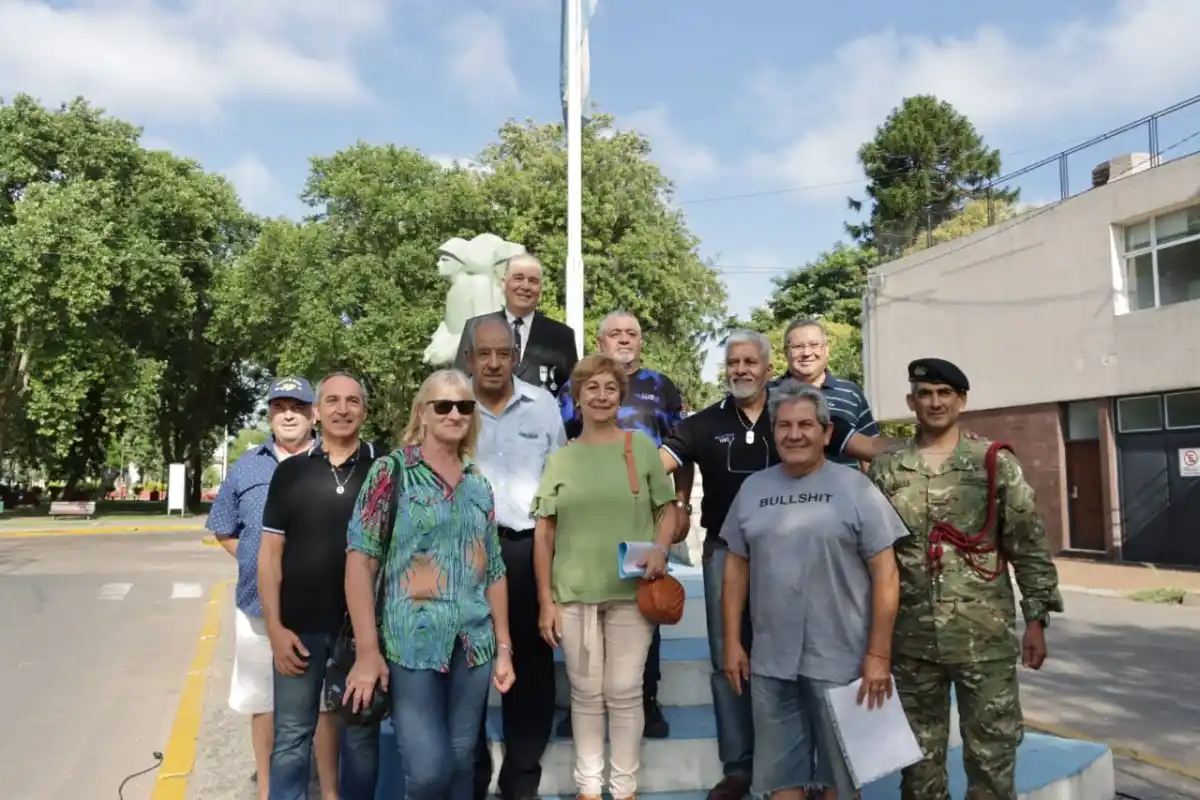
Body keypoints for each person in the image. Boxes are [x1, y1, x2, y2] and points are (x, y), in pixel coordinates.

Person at [867, 358, 1064, 799]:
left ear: (961, 400)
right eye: (925, 394)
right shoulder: (888, 469)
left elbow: (1027, 544)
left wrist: (1037, 619)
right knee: (918, 766)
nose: (935, 402)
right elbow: (874, 559)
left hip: (984, 639)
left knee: (992, 758)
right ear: (910, 401)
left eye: (944, 394)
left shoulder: (992, 462)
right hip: (911, 641)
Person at [720, 380, 908, 800]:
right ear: (773, 432)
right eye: (784, 425)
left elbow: (887, 575)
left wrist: (879, 655)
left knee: (840, 781)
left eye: (806, 424)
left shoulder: (857, 488)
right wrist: (732, 641)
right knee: (778, 778)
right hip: (772, 661)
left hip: (845, 661)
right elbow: (735, 567)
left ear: (826, 433)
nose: (794, 434)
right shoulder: (753, 490)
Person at [343, 368, 516, 800]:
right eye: (443, 405)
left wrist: (505, 647)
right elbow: (360, 561)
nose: (454, 413)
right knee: (428, 772)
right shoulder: (392, 471)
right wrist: (367, 651)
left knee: (461, 767)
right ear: (423, 413)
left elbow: (493, 569)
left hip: (473, 647)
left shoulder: (478, 483)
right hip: (411, 645)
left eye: (464, 406)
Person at [532, 353, 680, 800]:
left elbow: (667, 511)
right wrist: (546, 601)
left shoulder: (640, 449)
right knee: (584, 692)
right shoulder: (561, 459)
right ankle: (588, 788)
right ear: (577, 398)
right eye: (591, 388)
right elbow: (544, 534)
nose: (600, 396)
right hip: (573, 591)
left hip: (632, 591)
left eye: (609, 388)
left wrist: (659, 547)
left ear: (621, 396)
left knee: (624, 689)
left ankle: (624, 788)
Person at [556, 309, 690, 739]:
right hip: (587, 518)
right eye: (615, 333)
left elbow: (684, 446)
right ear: (601, 341)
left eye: (631, 333)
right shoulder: (576, 386)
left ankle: (646, 699)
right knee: (583, 609)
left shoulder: (661, 387)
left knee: (643, 606)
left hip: (642, 519)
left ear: (641, 341)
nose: (624, 339)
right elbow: (558, 443)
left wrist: (683, 504)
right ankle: (581, 703)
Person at [207, 377, 342, 799]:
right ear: (269, 414)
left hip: (322, 610)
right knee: (264, 704)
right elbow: (223, 529)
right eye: (280, 406)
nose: (288, 414)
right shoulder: (247, 468)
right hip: (257, 609)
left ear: (313, 414)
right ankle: (268, 790)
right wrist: (257, 564)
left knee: (321, 706)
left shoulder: (335, 463)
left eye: (298, 406)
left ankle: (330, 791)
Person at [658, 330, 779, 800]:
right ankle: (739, 769)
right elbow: (658, 463)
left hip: (786, 555)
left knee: (785, 657)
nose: (741, 369)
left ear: (768, 368)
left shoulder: (791, 416)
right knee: (727, 659)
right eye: (734, 362)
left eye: (751, 361)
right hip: (725, 552)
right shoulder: (703, 424)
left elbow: (854, 450)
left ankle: (783, 764)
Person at [257, 373, 381, 800]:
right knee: (292, 736)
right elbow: (270, 557)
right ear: (317, 411)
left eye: (352, 401)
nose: (342, 409)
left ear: (364, 410)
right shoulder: (290, 473)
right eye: (332, 401)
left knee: (361, 739)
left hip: (363, 632)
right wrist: (274, 629)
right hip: (299, 630)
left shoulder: (385, 469)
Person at [466, 318, 567, 800]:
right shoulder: (451, 404)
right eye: (483, 353)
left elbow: (560, 481)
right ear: (470, 358)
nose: (492, 362)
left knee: (531, 669)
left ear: (514, 356)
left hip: (529, 551)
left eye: (502, 353)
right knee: (464, 665)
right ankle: (471, 770)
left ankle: (521, 777)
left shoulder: (543, 406)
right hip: (462, 556)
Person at [455, 253, 579, 398]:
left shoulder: (562, 336)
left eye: (533, 281)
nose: (525, 286)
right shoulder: (475, 327)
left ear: (540, 289)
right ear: (503, 283)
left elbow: (572, 391)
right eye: (518, 278)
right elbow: (459, 383)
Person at [771, 318, 895, 463]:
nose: (807, 352)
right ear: (786, 352)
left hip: (845, 485)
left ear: (826, 349)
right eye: (798, 346)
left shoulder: (850, 393)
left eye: (814, 345)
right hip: (782, 483)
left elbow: (869, 450)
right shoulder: (768, 393)